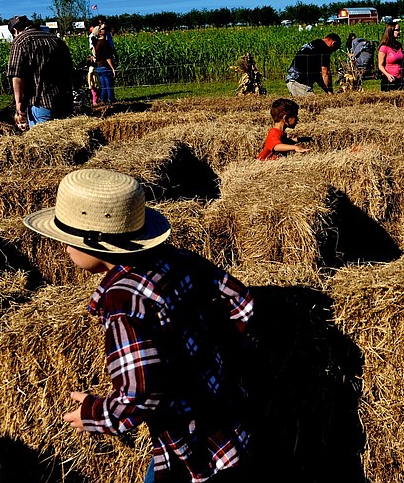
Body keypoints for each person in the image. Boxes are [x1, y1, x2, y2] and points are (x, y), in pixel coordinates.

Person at [23, 168, 253, 482]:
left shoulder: (122, 302)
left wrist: (97, 414)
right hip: (227, 410)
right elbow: (242, 303)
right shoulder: (179, 258)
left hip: (189, 439)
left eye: (68, 240)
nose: (64, 249)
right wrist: (215, 355)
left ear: (95, 243)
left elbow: (142, 392)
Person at [6, 15, 74, 128]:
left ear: (15, 30)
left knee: (44, 142)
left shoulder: (20, 41)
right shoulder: (56, 40)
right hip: (64, 100)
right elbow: (70, 70)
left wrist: (18, 103)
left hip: (40, 102)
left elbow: (17, 75)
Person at [377, 21, 404, 92]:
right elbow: (380, 65)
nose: (400, 31)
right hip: (389, 80)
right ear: (391, 31)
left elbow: (402, 63)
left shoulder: (399, 45)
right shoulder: (384, 47)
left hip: (399, 78)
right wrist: (388, 75)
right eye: (397, 30)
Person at [94, 26, 117, 104]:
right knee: (109, 86)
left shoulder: (96, 43)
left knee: (103, 87)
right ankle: (112, 101)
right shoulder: (105, 42)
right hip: (105, 66)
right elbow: (108, 57)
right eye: (102, 29)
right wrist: (112, 68)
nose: (104, 30)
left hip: (99, 67)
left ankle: (103, 100)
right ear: (99, 33)